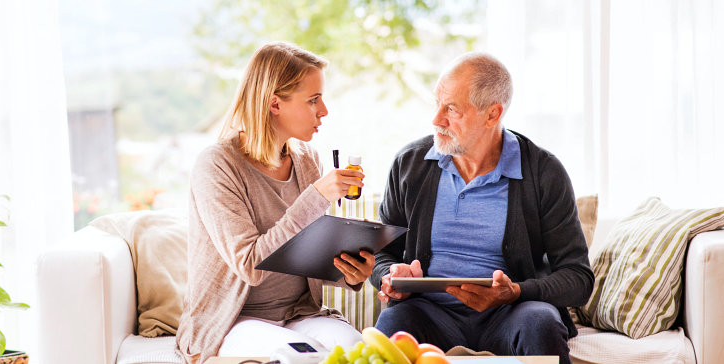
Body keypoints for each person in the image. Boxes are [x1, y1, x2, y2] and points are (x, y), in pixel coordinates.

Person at [369, 52, 594, 364]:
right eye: (437, 103)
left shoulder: (543, 171)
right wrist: (390, 277)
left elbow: (578, 278)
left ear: (492, 114)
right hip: (429, 313)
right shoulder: (410, 164)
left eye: (452, 109)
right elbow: (383, 254)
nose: (437, 119)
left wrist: (515, 291)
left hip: (511, 313)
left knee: (541, 323)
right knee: (391, 327)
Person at [177, 42, 373, 364]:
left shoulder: (307, 160)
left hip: (301, 312)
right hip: (233, 321)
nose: (323, 111)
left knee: (357, 350)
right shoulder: (217, 165)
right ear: (274, 104)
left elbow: (305, 257)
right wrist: (317, 197)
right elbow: (251, 266)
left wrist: (349, 272)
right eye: (313, 100)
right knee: (305, 357)